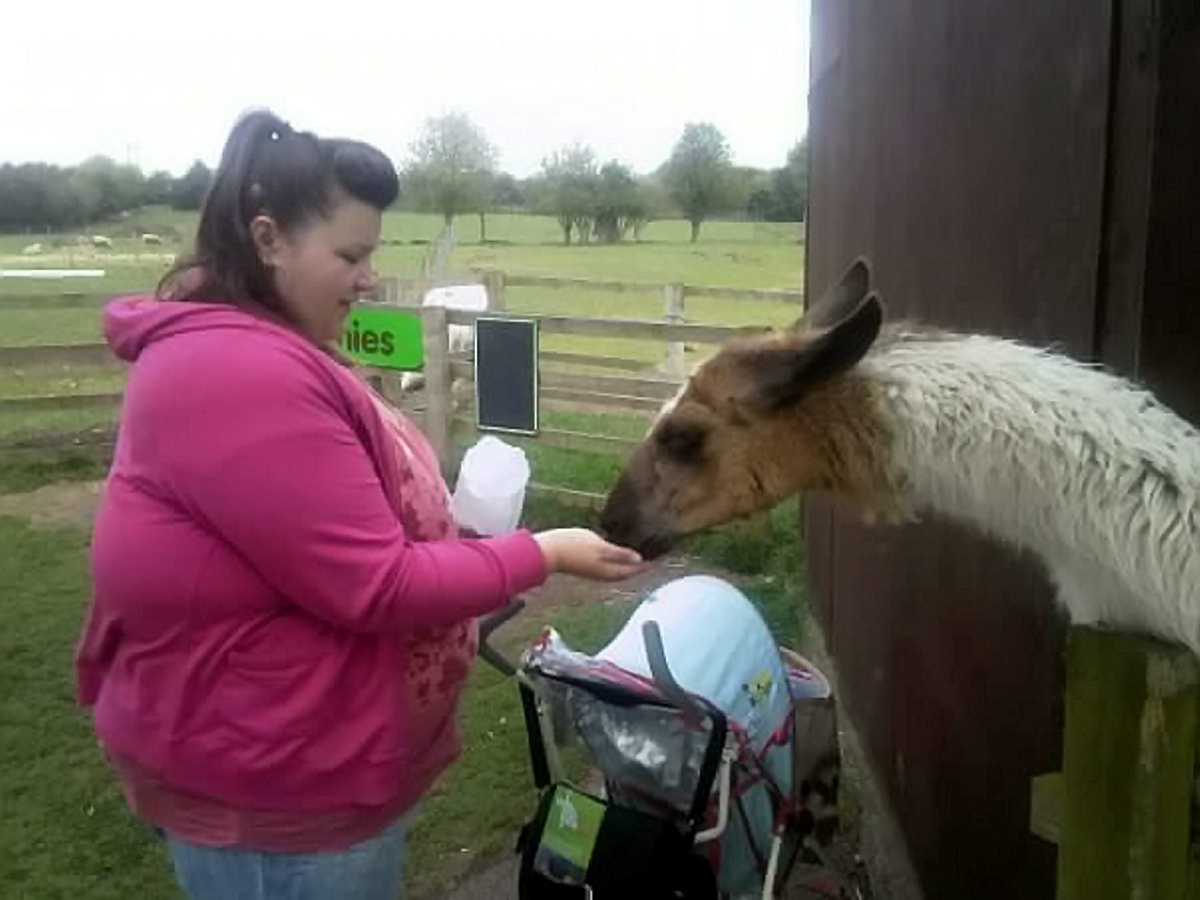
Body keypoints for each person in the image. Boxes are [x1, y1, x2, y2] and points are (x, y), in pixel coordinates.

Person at [74, 108, 645, 900]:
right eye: (350, 254)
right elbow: (372, 585)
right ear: (269, 238)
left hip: (299, 763)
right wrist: (539, 552)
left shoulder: (265, 346)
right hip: (279, 798)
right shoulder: (237, 374)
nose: (369, 278)